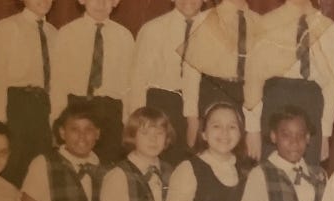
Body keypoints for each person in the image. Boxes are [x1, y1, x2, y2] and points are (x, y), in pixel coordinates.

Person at [244, 0, 334, 166]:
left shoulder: (329, 27)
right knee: (272, 173)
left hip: (311, 103)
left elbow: (332, 85)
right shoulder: (266, 22)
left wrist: (325, 134)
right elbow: (254, 77)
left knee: (307, 174)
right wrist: (252, 128)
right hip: (275, 100)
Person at [49, 0, 135, 164]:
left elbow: (128, 84)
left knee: (109, 166)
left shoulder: (125, 36)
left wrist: (127, 121)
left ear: (116, 2)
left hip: (111, 111)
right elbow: (58, 82)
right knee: (76, 163)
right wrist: (56, 118)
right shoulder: (67, 33)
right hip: (77, 107)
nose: (101, 3)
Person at [0, 0, 59, 186]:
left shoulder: (54, 33)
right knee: (12, 168)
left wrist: (54, 120)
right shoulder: (8, 26)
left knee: (39, 172)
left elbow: (57, 82)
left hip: (43, 107)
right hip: (16, 106)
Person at [128, 0, 204, 161]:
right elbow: (137, 81)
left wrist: (194, 117)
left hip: (200, 107)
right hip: (162, 105)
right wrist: (139, 124)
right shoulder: (153, 29)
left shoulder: (213, 28)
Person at [182, 0, 262, 118]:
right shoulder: (204, 19)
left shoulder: (258, 21)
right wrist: (191, 115)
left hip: (246, 96)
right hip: (214, 92)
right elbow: (191, 72)